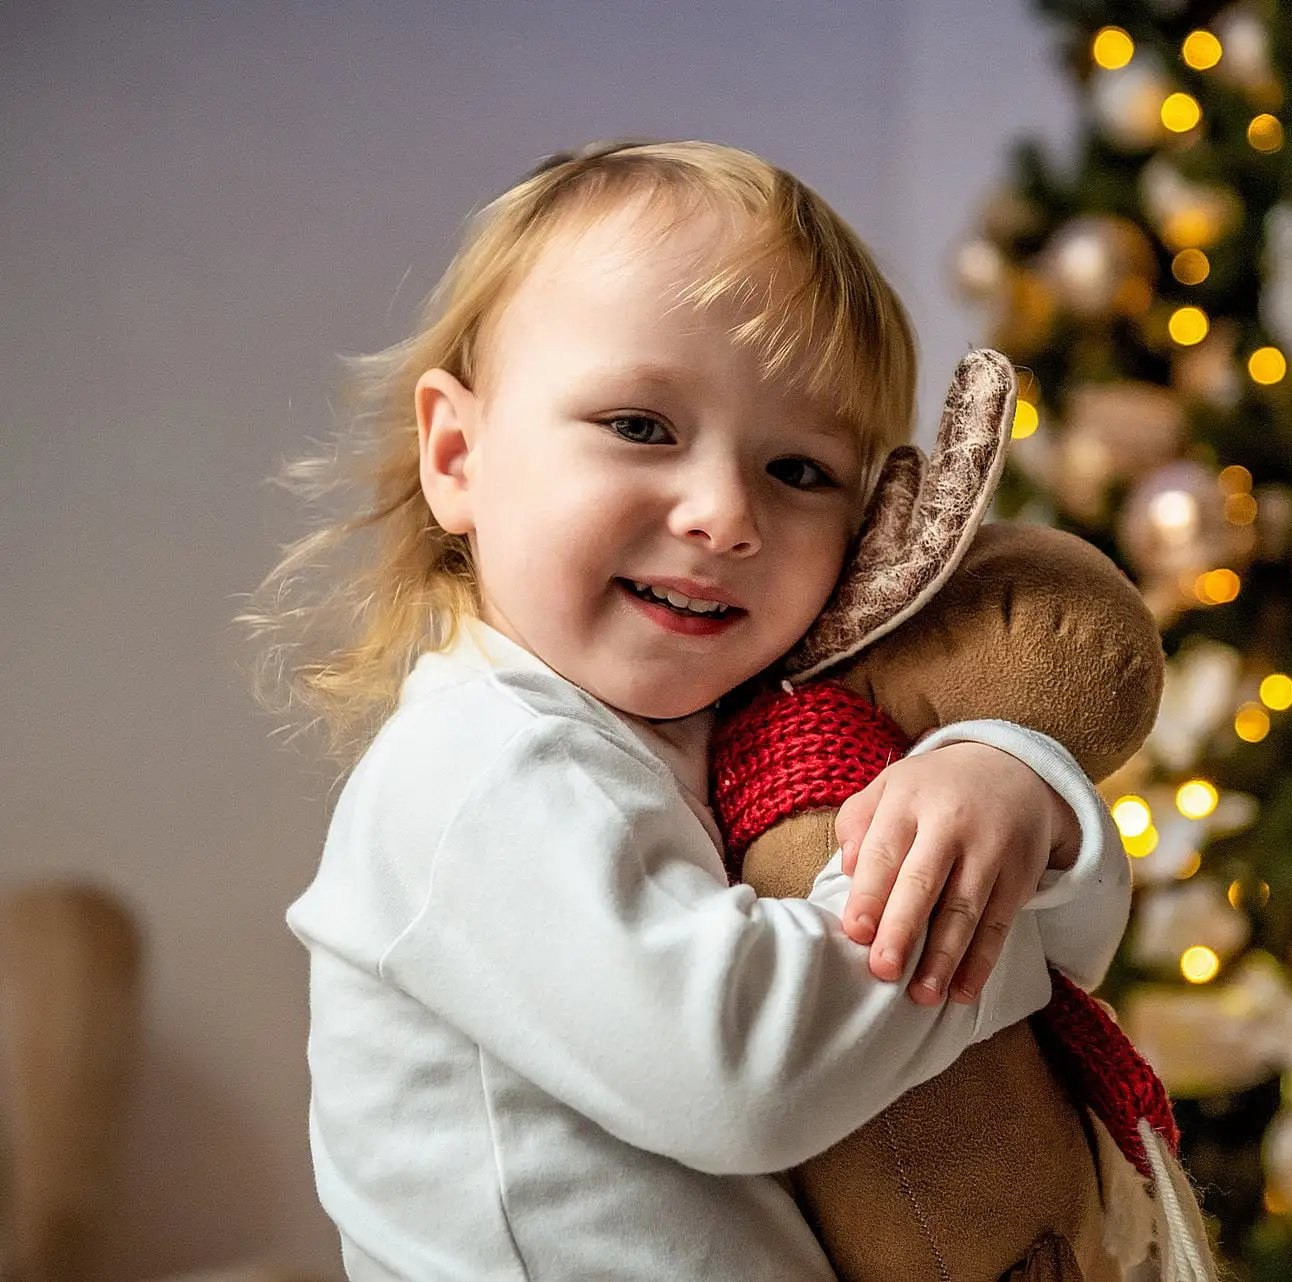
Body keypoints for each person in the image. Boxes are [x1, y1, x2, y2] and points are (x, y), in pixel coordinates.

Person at [241, 139, 1133, 1279]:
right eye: (641, 427)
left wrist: (1008, 787)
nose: (723, 515)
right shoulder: (477, 764)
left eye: (800, 470)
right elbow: (738, 1073)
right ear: (457, 454)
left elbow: (1081, 948)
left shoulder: (746, 736)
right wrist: (962, 910)